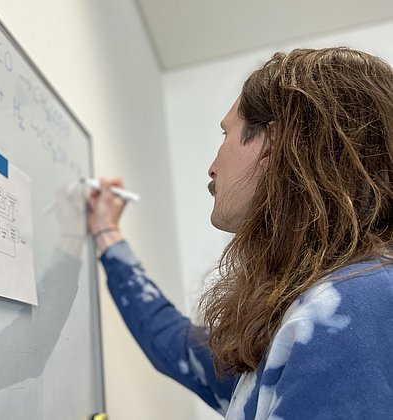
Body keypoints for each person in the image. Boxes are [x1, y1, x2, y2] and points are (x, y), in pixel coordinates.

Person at [87, 47, 393, 419]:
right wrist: (106, 233)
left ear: (274, 144)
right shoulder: (307, 321)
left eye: (225, 133)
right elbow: (178, 346)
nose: (213, 168)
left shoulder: (350, 310)